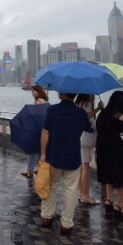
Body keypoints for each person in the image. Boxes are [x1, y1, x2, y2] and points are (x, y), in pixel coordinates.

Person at [40, 92, 92, 234]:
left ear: (62, 94)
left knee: (51, 186)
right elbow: (88, 127)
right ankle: (66, 224)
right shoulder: (80, 113)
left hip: (53, 155)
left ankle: (46, 217)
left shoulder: (51, 110)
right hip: (73, 156)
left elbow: (45, 133)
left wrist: (43, 154)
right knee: (70, 189)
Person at [96, 90, 123, 221]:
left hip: (101, 149)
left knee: (109, 176)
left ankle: (109, 201)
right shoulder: (122, 117)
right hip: (116, 150)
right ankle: (119, 206)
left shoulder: (103, 114)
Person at [75, 94, 104, 205]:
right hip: (87, 139)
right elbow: (85, 117)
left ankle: (82, 194)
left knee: (82, 168)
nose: (93, 96)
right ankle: (86, 196)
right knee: (86, 168)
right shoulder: (86, 103)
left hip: (81, 138)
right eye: (91, 94)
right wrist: (99, 108)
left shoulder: (78, 103)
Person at [21, 85, 49, 177]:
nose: (32, 93)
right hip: (44, 128)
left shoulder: (38, 102)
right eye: (32, 91)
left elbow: (35, 116)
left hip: (37, 130)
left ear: (39, 91)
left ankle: (29, 170)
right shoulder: (45, 101)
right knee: (41, 150)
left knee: (32, 150)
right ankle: (40, 168)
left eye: (34, 91)